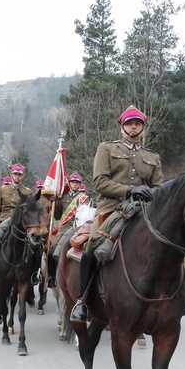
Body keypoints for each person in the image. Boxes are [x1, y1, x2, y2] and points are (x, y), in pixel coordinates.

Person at [70, 105, 164, 323]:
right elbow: (99, 182)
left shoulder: (152, 156)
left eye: (137, 124)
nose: (133, 127)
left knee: (169, 239)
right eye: (129, 123)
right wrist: (129, 190)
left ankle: (172, 296)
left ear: (142, 128)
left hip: (143, 210)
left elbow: (159, 186)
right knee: (92, 244)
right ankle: (81, 301)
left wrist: (149, 195)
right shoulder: (106, 149)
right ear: (122, 127)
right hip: (111, 208)